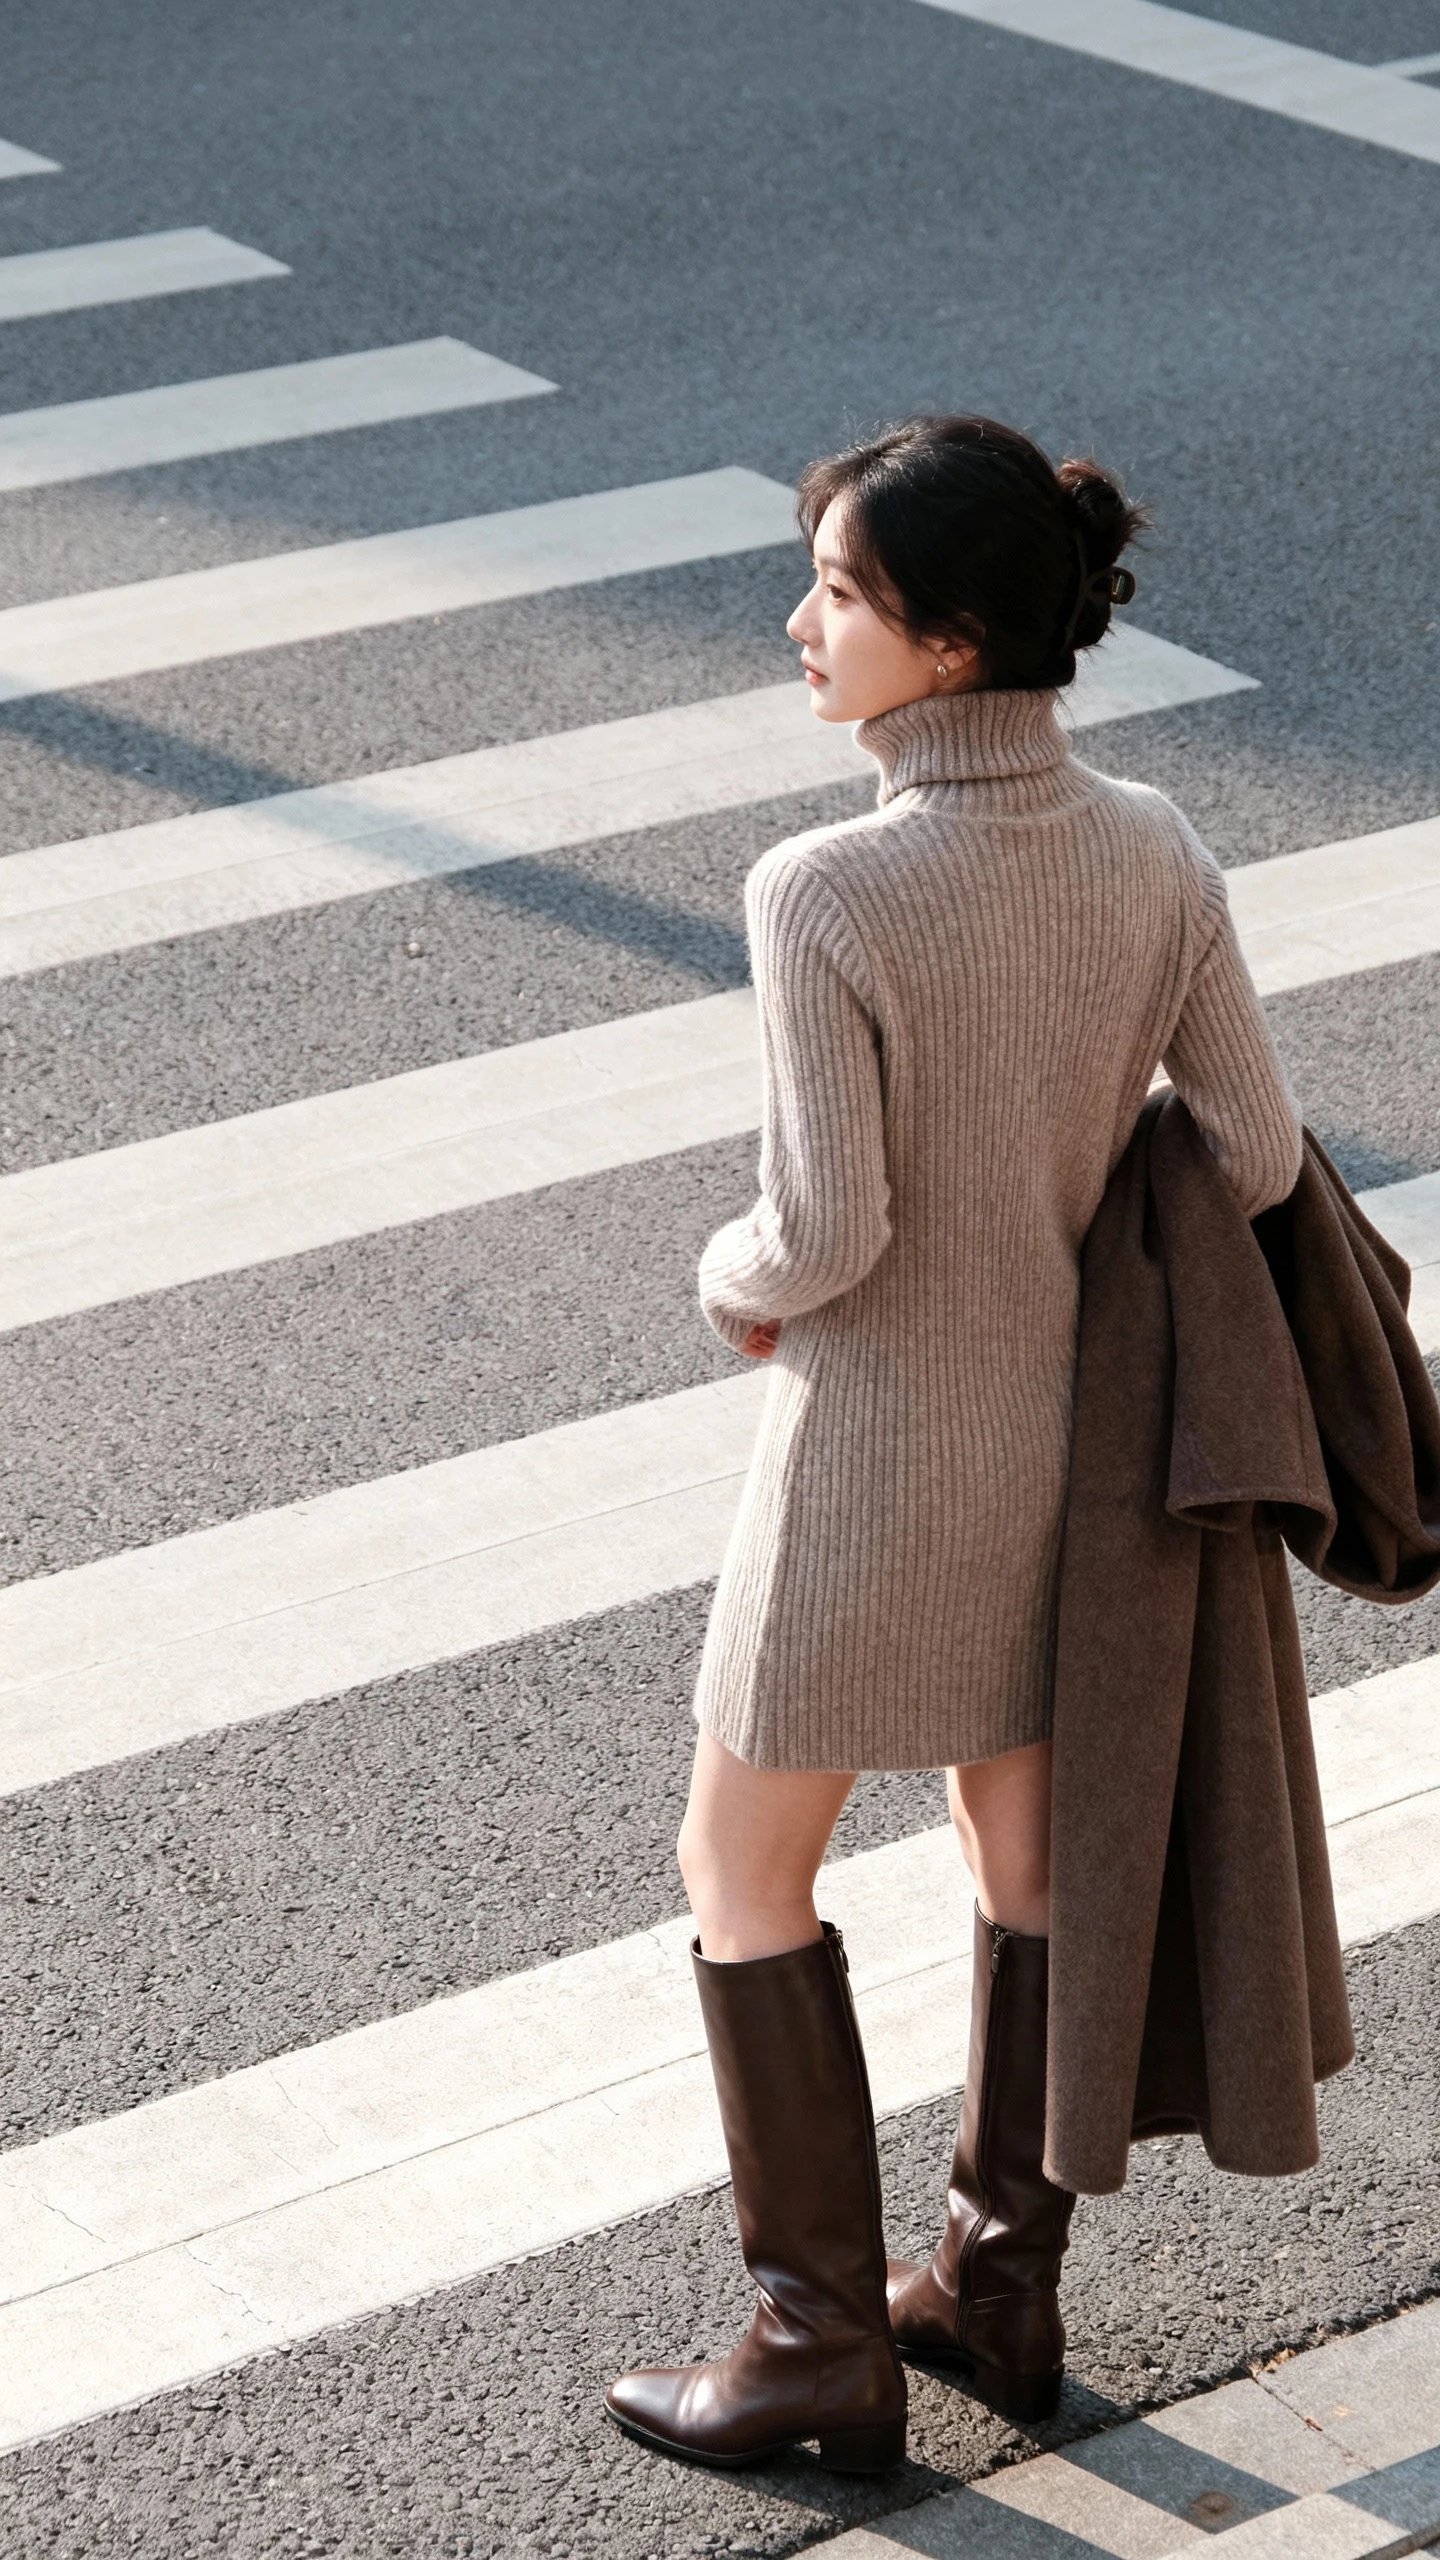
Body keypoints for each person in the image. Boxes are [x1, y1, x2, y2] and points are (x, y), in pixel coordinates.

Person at [605, 416, 1302, 2473]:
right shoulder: (1155, 845)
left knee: (741, 1864)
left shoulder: (826, 887)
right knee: (1024, 1862)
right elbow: (1260, 1151)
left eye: (841, 591)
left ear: (955, 642)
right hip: (1084, 1466)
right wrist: (1065, 1145)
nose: (799, 622)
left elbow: (824, 1233)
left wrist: (724, 1274)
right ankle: (998, 2284)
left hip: (875, 1459)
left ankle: (815, 2339)